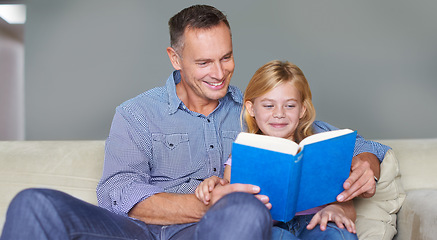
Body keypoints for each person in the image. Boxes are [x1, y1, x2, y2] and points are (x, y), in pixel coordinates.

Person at [0, 5, 390, 240]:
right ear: (175, 58)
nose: (219, 73)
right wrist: (202, 204)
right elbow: (117, 192)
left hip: (227, 229)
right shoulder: (137, 114)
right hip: (144, 234)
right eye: (204, 62)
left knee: (244, 210)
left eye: (226, 57)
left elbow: (343, 143)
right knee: (32, 203)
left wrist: (367, 164)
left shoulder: (255, 108)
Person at [196, 60, 362, 239]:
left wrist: (337, 210)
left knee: (340, 235)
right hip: (269, 227)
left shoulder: (320, 151)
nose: (279, 113)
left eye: (290, 105)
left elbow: (348, 205)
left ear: (302, 110)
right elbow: (229, 203)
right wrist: (211, 185)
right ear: (251, 109)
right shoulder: (241, 155)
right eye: (268, 105)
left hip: (315, 222)